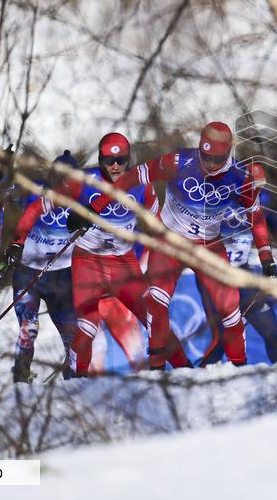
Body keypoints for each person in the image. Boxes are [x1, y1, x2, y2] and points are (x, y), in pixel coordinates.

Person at [84, 122, 272, 369]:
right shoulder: (177, 162)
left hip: (207, 246)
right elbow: (131, 178)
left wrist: (266, 256)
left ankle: (240, 365)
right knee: (157, 300)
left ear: (228, 154)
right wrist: (94, 208)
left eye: (217, 160)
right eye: (206, 158)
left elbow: (255, 217)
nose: (211, 165)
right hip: (169, 241)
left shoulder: (240, 177)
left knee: (230, 309)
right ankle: (157, 366)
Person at [63, 133, 190, 376]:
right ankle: (75, 380)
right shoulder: (85, 181)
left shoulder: (142, 185)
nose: (115, 166)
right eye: (109, 160)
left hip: (123, 263)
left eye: (121, 160)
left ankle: (187, 370)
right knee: (88, 326)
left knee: (155, 318)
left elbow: (156, 226)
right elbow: (55, 208)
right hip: (88, 261)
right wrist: (72, 218)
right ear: (100, 159)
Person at [0, 150, 80, 382]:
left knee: (72, 334)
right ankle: (21, 376)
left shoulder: (85, 196)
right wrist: (1, 175)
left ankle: (75, 378)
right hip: (29, 273)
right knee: (29, 327)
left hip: (63, 277)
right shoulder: (35, 190)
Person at [220, 189, 277, 364]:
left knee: (273, 333)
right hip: (214, 280)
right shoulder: (218, 199)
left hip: (242, 275)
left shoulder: (260, 202)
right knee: (222, 340)